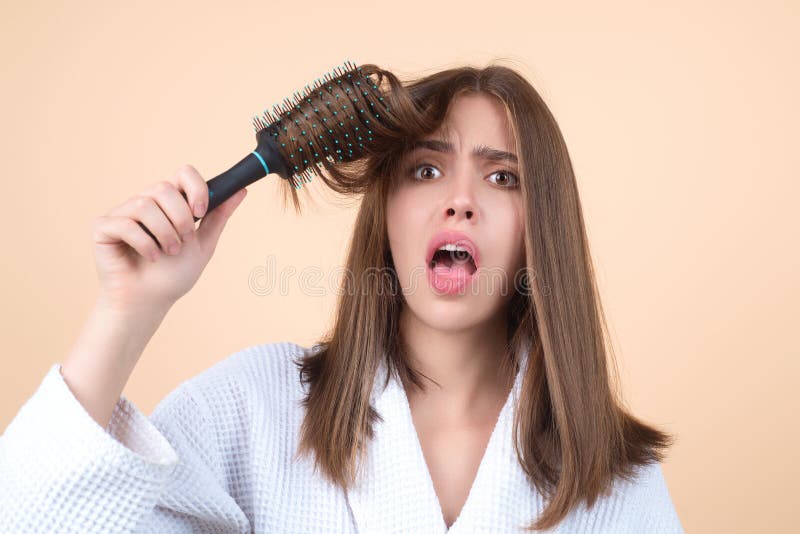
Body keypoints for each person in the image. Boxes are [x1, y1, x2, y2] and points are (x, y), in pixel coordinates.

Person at [0, 62, 685, 533]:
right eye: (425, 169)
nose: (460, 202)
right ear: (385, 211)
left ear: (545, 230)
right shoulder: (252, 409)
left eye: (504, 178)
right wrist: (126, 311)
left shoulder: (616, 478)